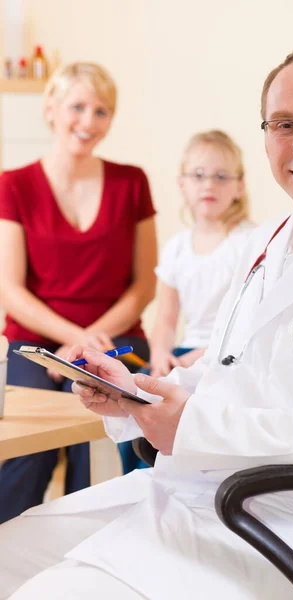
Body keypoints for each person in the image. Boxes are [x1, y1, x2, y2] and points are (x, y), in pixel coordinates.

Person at [1, 46, 293, 600]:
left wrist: (192, 427)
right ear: (265, 139)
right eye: (284, 124)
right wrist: (137, 395)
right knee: (5, 552)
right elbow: (226, 366)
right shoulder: (268, 242)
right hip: (198, 494)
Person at [0, 62, 157, 524]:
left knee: (105, 438)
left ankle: (101, 552)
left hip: (118, 342)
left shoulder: (132, 182)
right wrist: (72, 339)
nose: (88, 122)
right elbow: (10, 290)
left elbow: (144, 284)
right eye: (78, 107)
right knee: (35, 451)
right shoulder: (14, 184)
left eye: (101, 111)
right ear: (50, 108)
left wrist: (89, 340)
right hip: (34, 348)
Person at [118, 129, 254, 474]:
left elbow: (249, 321)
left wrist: (204, 356)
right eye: (199, 175)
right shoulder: (177, 248)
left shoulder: (249, 243)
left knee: (183, 407)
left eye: (222, 176)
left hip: (227, 356)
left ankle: (176, 476)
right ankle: (139, 479)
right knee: (136, 401)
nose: (209, 184)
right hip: (182, 354)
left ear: (239, 186)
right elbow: (164, 319)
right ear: (182, 183)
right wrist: (161, 353)